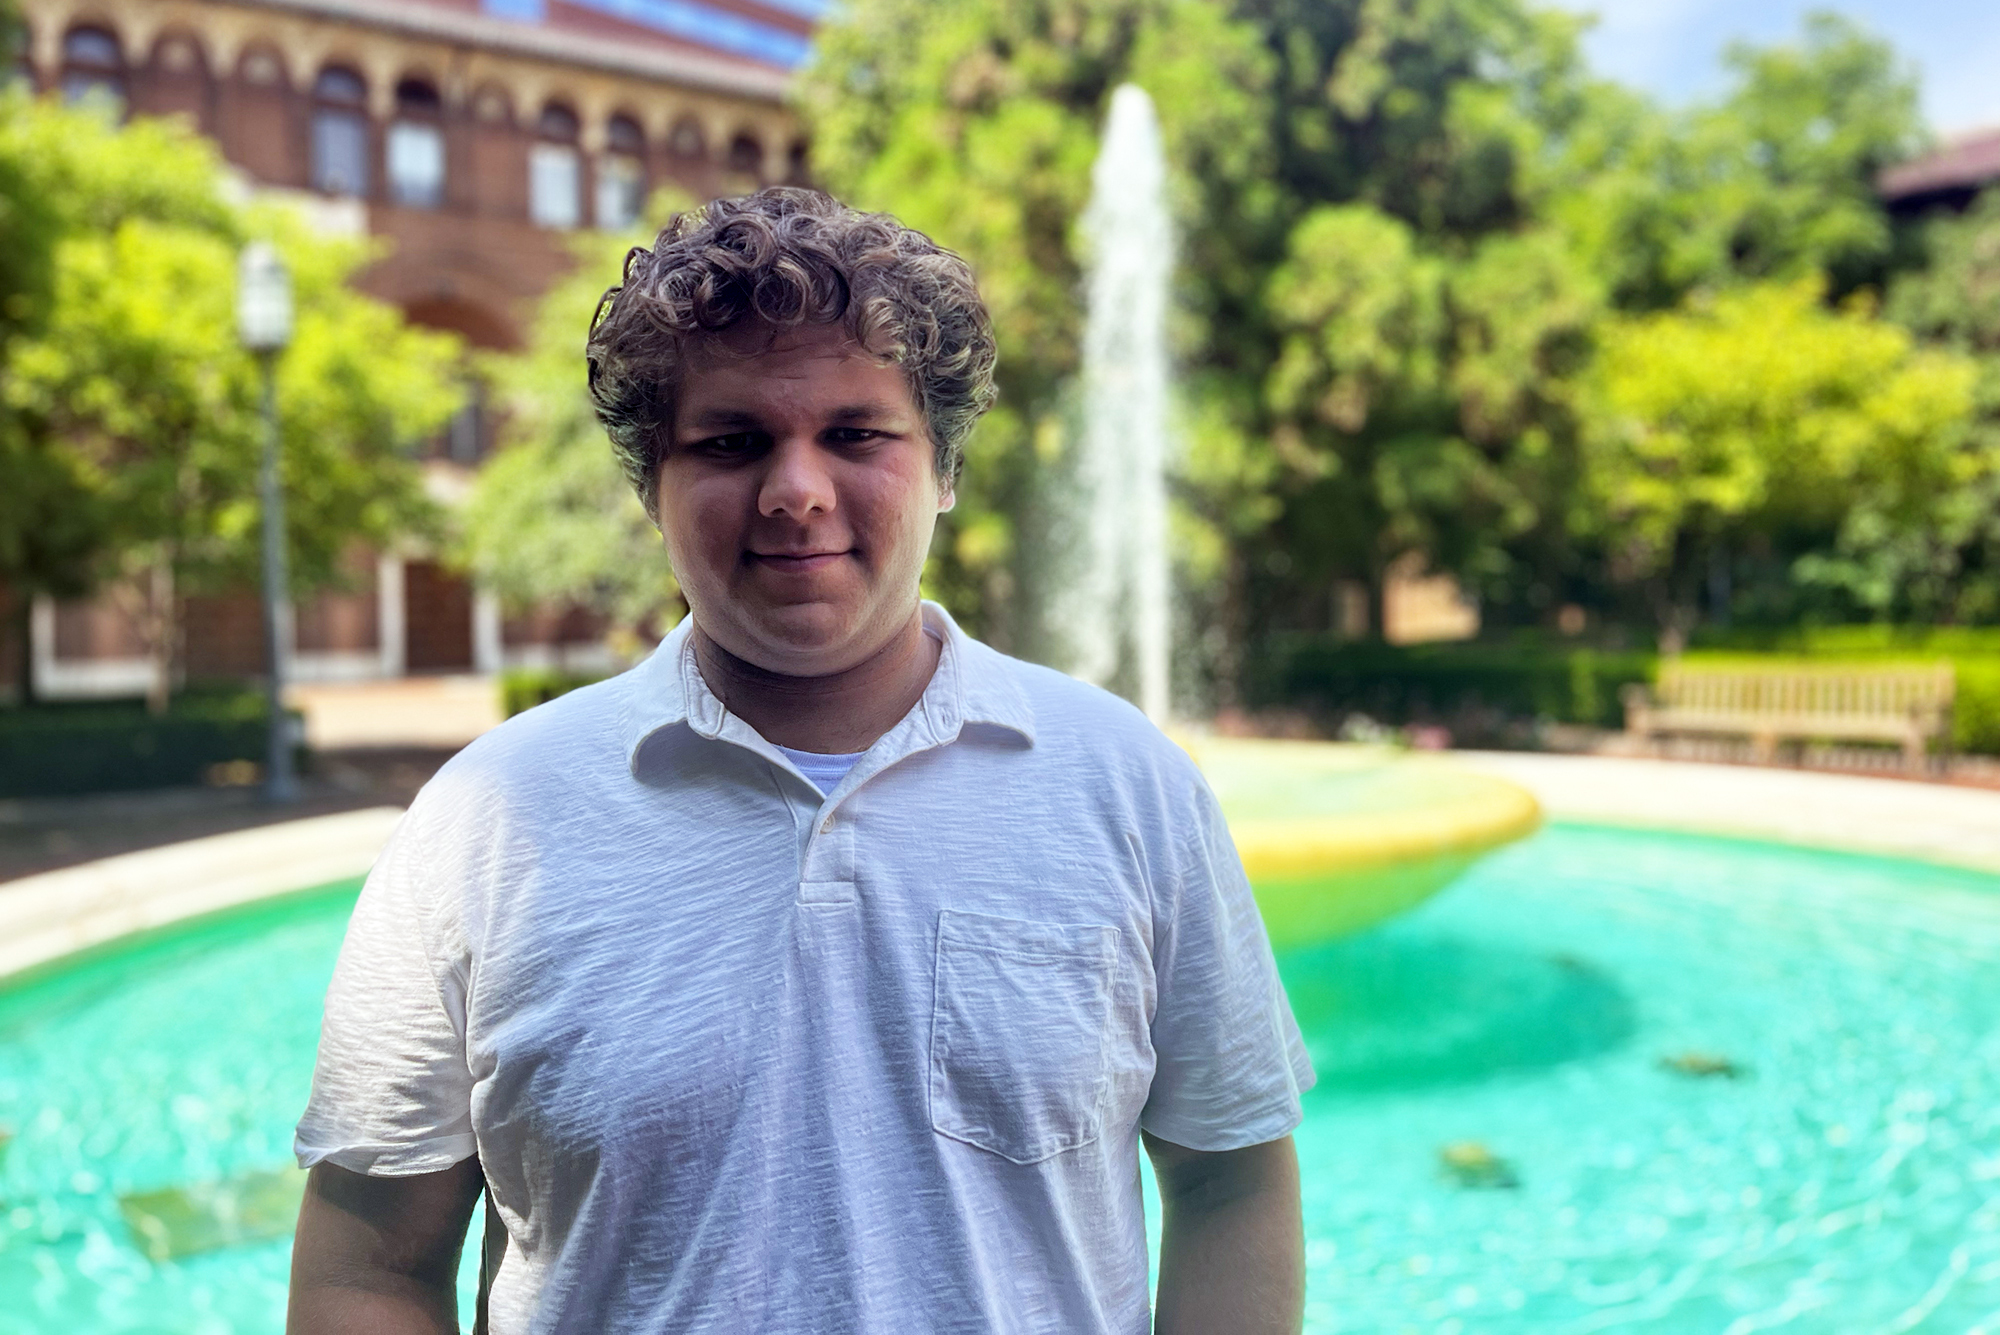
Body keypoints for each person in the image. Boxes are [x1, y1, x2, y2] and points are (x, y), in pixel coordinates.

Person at [287, 187, 1314, 1335]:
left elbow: (1228, 1177)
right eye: (730, 442)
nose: (795, 491)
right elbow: (367, 1271)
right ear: (652, 488)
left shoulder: (1125, 784)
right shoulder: (487, 819)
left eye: (855, 432)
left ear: (944, 469)